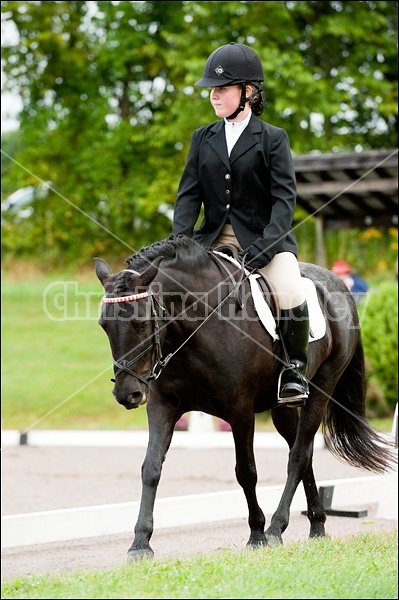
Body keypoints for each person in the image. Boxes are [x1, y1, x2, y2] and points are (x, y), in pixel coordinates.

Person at [172, 42, 309, 407]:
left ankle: (294, 369)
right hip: (211, 239)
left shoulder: (273, 139)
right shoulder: (202, 138)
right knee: (171, 287)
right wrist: (179, 245)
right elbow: (189, 196)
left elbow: (284, 200)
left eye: (222, 88)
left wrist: (265, 246)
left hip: (266, 240)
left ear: (247, 92)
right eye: (212, 90)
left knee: (291, 288)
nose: (214, 96)